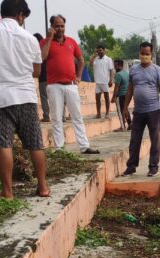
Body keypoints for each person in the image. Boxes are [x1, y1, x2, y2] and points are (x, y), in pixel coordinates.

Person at [0, 0, 48, 199]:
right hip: (26, 97)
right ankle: (43, 187)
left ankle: (7, 192)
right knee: (35, 144)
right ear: (20, 15)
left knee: (4, 144)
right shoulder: (30, 38)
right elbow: (37, 71)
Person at [41, 15, 100, 154]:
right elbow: (42, 57)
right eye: (57, 26)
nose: (60, 28)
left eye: (62, 26)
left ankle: (84, 146)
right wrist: (49, 38)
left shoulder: (72, 42)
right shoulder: (45, 41)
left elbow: (80, 59)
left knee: (77, 116)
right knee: (56, 117)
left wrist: (79, 76)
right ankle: (59, 147)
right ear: (51, 27)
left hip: (71, 85)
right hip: (54, 85)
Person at [122, 42, 160, 177]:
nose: (144, 56)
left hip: (153, 111)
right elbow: (130, 90)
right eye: (142, 53)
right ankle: (131, 166)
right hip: (138, 112)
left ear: (151, 54)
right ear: (139, 53)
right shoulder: (133, 70)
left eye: (147, 54)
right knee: (135, 139)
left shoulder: (157, 70)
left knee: (154, 139)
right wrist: (125, 107)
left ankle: (153, 167)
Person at [89, 44, 115, 119]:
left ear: (104, 50)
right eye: (98, 50)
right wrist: (93, 56)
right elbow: (90, 66)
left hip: (105, 81)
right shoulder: (96, 59)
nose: (99, 52)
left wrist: (111, 80)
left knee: (106, 97)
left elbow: (111, 70)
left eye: (100, 50)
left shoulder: (108, 59)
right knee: (97, 98)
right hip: (97, 82)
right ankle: (98, 114)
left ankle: (107, 113)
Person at [32, 33, 50, 122]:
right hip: (51, 77)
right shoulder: (46, 49)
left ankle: (46, 116)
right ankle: (60, 116)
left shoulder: (36, 51)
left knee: (44, 97)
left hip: (42, 78)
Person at [111, 59, 130, 129]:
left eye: (115, 66)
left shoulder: (118, 75)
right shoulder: (126, 73)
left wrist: (114, 97)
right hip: (127, 94)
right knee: (126, 109)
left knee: (120, 111)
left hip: (120, 95)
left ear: (119, 66)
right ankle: (130, 124)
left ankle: (122, 126)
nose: (114, 67)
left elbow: (116, 87)